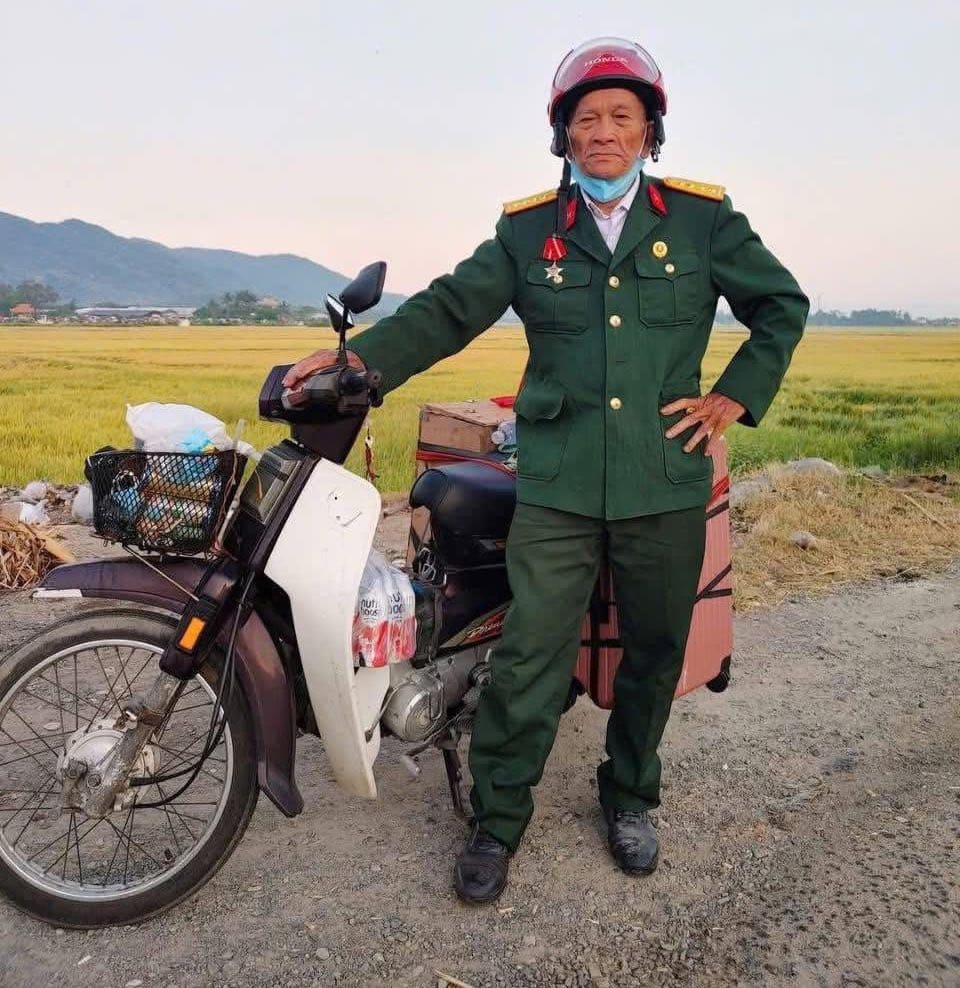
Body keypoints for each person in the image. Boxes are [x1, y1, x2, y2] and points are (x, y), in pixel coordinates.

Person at [284, 37, 809, 904]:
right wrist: (361, 363)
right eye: (585, 119)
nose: (603, 133)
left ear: (649, 132)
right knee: (531, 653)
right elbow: (450, 308)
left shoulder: (703, 220)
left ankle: (629, 795)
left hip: (664, 477)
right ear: (562, 134)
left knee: (654, 651)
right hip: (560, 482)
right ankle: (497, 820)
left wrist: (733, 397)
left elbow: (781, 305)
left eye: (621, 117)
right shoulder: (530, 231)